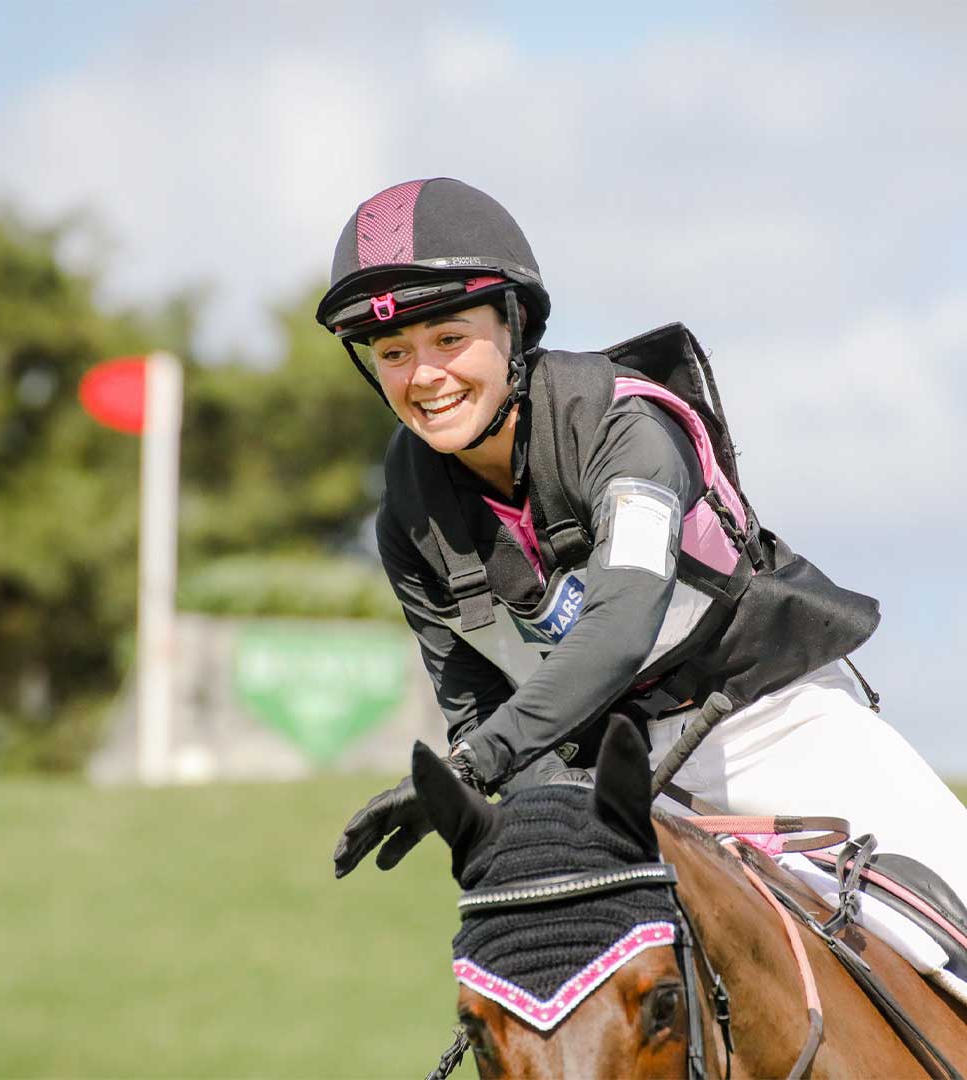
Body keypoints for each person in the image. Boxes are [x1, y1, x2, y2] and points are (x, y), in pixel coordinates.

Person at [324, 178, 967, 915]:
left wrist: (472, 766)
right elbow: (473, 704)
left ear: (513, 326)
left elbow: (621, 626)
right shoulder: (408, 514)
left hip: (768, 721)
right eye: (393, 351)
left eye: (448, 339)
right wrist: (514, 820)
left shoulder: (625, 429)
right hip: (611, 779)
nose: (424, 376)